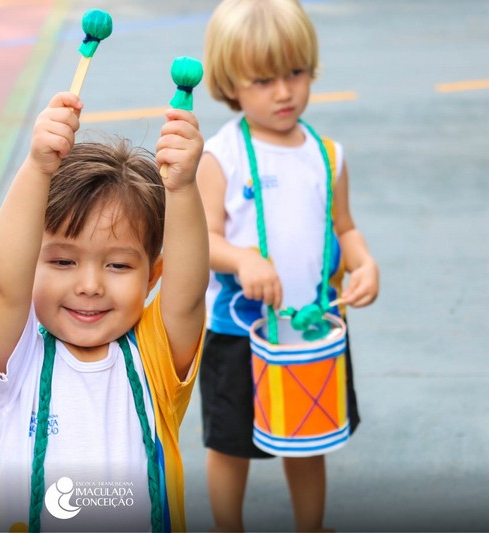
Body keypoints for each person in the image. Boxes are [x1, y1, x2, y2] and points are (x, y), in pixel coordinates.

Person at [0, 91, 208, 532]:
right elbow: (2, 286)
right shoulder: (16, 364)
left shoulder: (153, 359)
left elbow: (190, 295)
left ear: (153, 276)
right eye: (63, 261)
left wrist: (183, 189)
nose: (90, 285)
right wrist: (37, 168)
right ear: (31, 265)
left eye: (118, 265)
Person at [196, 0, 380, 531]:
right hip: (239, 332)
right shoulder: (221, 156)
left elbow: (344, 228)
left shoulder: (328, 154)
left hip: (312, 326)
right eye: (262, 79)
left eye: (295, 73)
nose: (283, 91)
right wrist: (241, 257)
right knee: (230, 444)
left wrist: (364, 262)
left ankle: (311, 525)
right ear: (231, 83)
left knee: (309, 440)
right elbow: (202, 241)